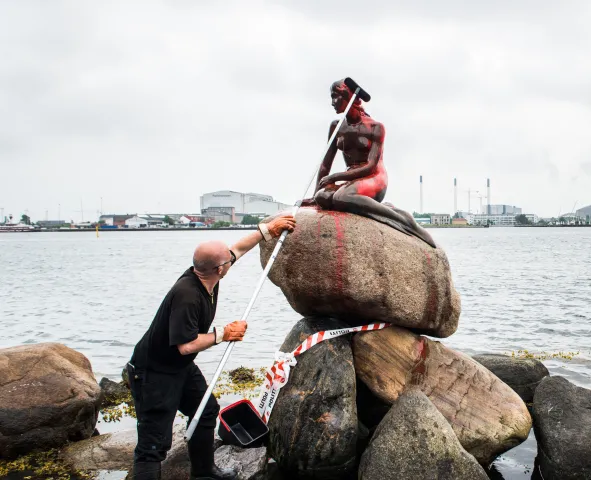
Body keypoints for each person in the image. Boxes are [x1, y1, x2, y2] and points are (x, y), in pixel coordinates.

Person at [126, 215, 295, 480]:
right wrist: (223, 334)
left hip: (180, 367)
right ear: (219, 268)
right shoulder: (188, 295)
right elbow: (185, 345)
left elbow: (237, 249)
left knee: (205, 410)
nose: (231, 260)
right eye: (226, 261)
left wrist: (267, 231)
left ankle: (204, 473)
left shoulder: (206, 274)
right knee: (153, 445)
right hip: (153, 372)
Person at [306, 79, 436, 248]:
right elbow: (326, 164)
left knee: (341, 197)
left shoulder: (375, 127)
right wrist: (315, 194)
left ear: (348, 97)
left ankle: (404, 220)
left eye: (335, 97)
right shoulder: (336, 127)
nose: (332, 103)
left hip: (374, 178)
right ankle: (376, 207)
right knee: (322, 197)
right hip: (352, 180)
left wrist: (337, 176)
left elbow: (371, 166)